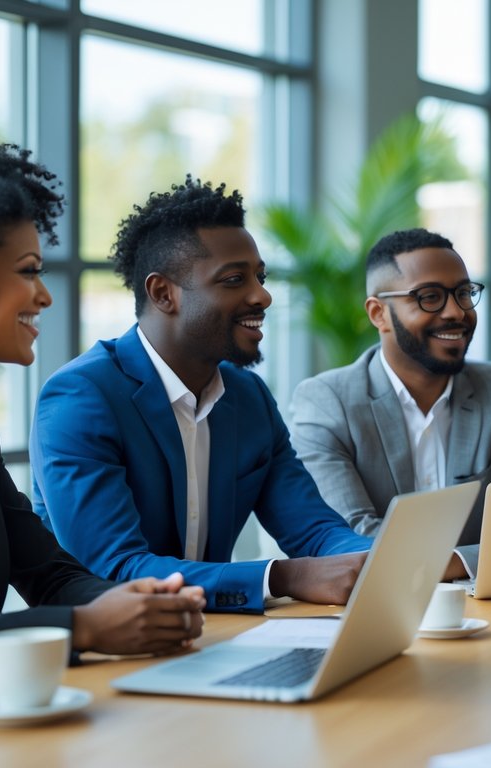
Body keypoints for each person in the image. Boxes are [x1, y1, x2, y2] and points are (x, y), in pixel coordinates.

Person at [0, 144, 204, 674]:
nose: (45, 297)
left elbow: (49, 574)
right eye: (29, 271)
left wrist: (137, 604)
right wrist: (82, 629)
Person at [31, 177, 371, 614]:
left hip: (215, 636)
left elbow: (314, 530)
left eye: (260, 277)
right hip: (110, 651)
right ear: (163, 293)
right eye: (234, 280)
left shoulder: (248, 397)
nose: (262, 295)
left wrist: (377, 560)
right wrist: (282, 576)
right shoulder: (82, 397)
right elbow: (112, 567)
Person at [290, 228, 491, 579]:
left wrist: (452, 563)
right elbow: (353, 544)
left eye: (463, 293)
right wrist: (474, 560)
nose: (456, 312)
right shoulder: (327, 402)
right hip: (368, 612)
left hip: (486, 611)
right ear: (378, 314)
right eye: (429, 297)